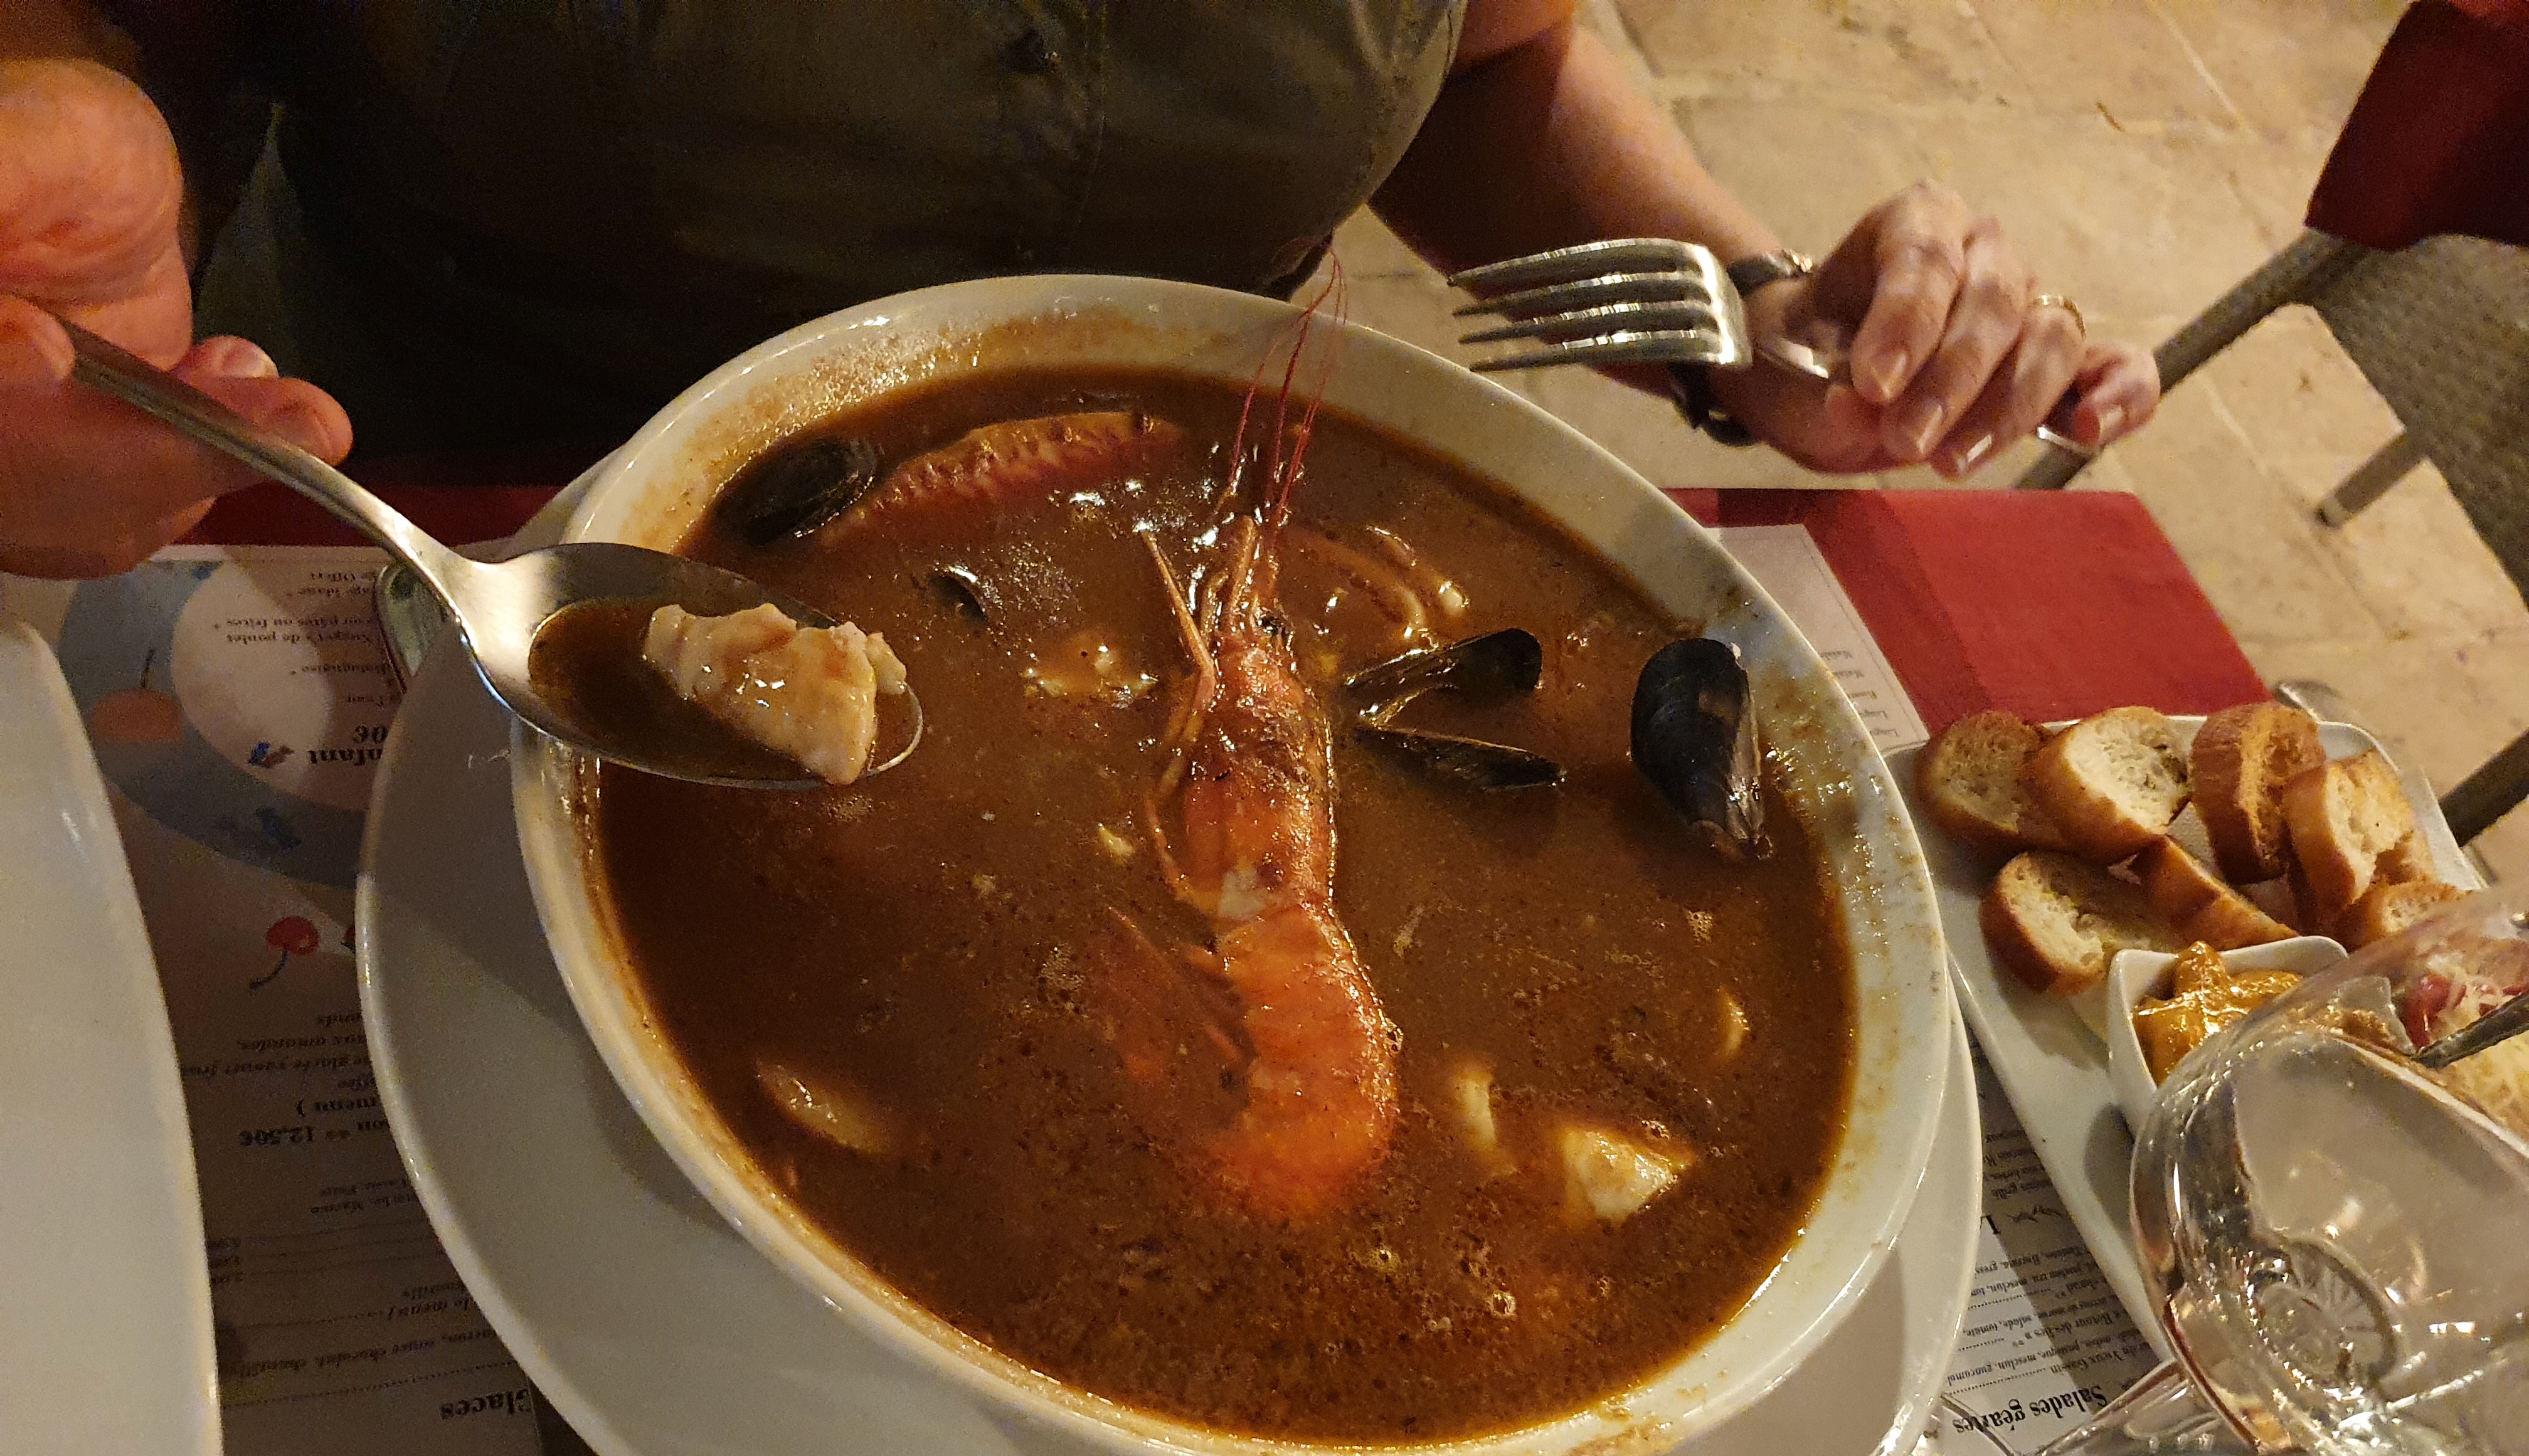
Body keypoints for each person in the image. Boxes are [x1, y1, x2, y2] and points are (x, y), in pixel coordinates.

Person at [0, 0, 2160, 580]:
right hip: (446, 540)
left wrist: (1748, 312)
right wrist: (61, 169)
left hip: (1190, 556)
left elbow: (1487, 64)